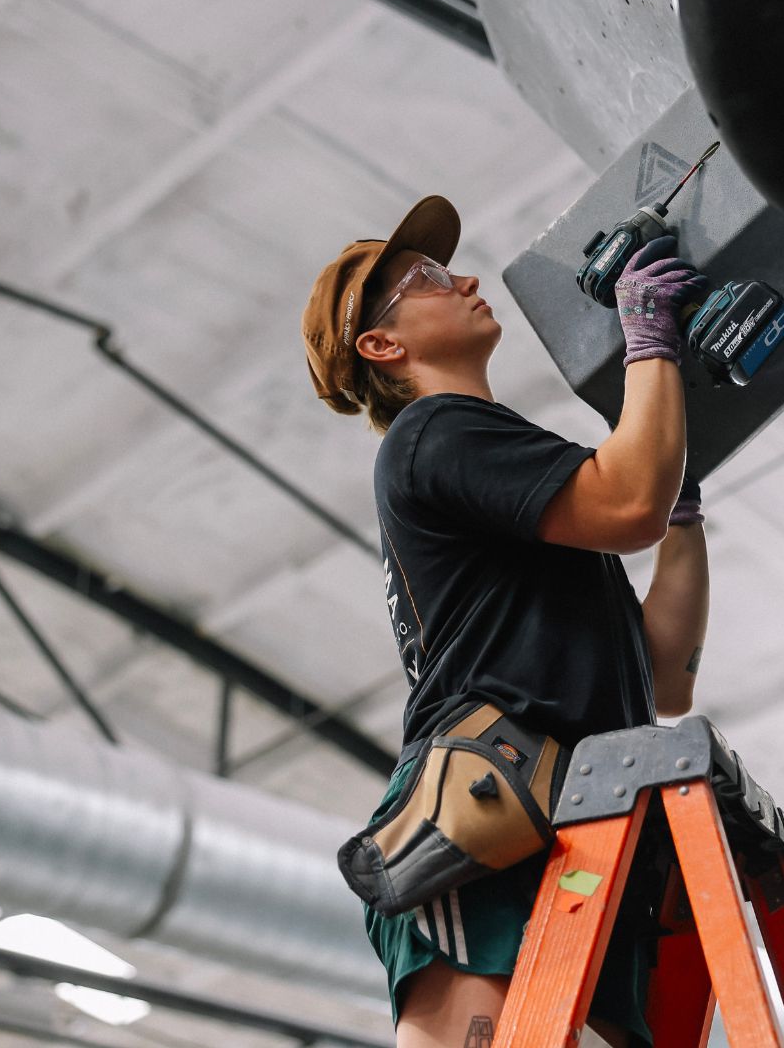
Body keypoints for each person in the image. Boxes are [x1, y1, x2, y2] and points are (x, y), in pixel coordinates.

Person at [300, 195, 711, 1048]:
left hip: (577, 824)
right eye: (427, 280)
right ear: (383, 345)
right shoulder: (432, 434)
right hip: (490, 823)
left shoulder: (512, 486)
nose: (466, 279)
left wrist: (682, 512)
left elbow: (664, 675)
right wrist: (648, 349)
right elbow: (628, 497)